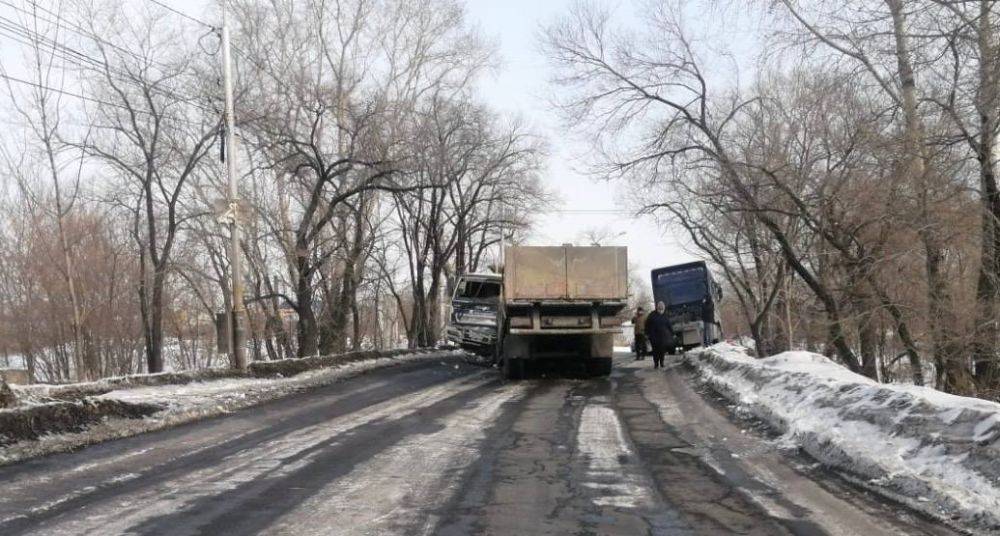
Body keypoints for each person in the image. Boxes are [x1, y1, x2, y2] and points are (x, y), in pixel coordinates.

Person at [644, 301, 674, 369]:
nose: (661, 310)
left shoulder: (665, 316)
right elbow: (647, 325)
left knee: (662, 350)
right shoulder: (652, 315)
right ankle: (656, 363)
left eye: (662, 309)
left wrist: (672, 333)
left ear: (663, 309)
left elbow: (669, 325)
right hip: (653, 336)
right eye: (659, 309)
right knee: (655, 351)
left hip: (662, 337)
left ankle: (662, 362)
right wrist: (646, 333)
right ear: (657, 308)